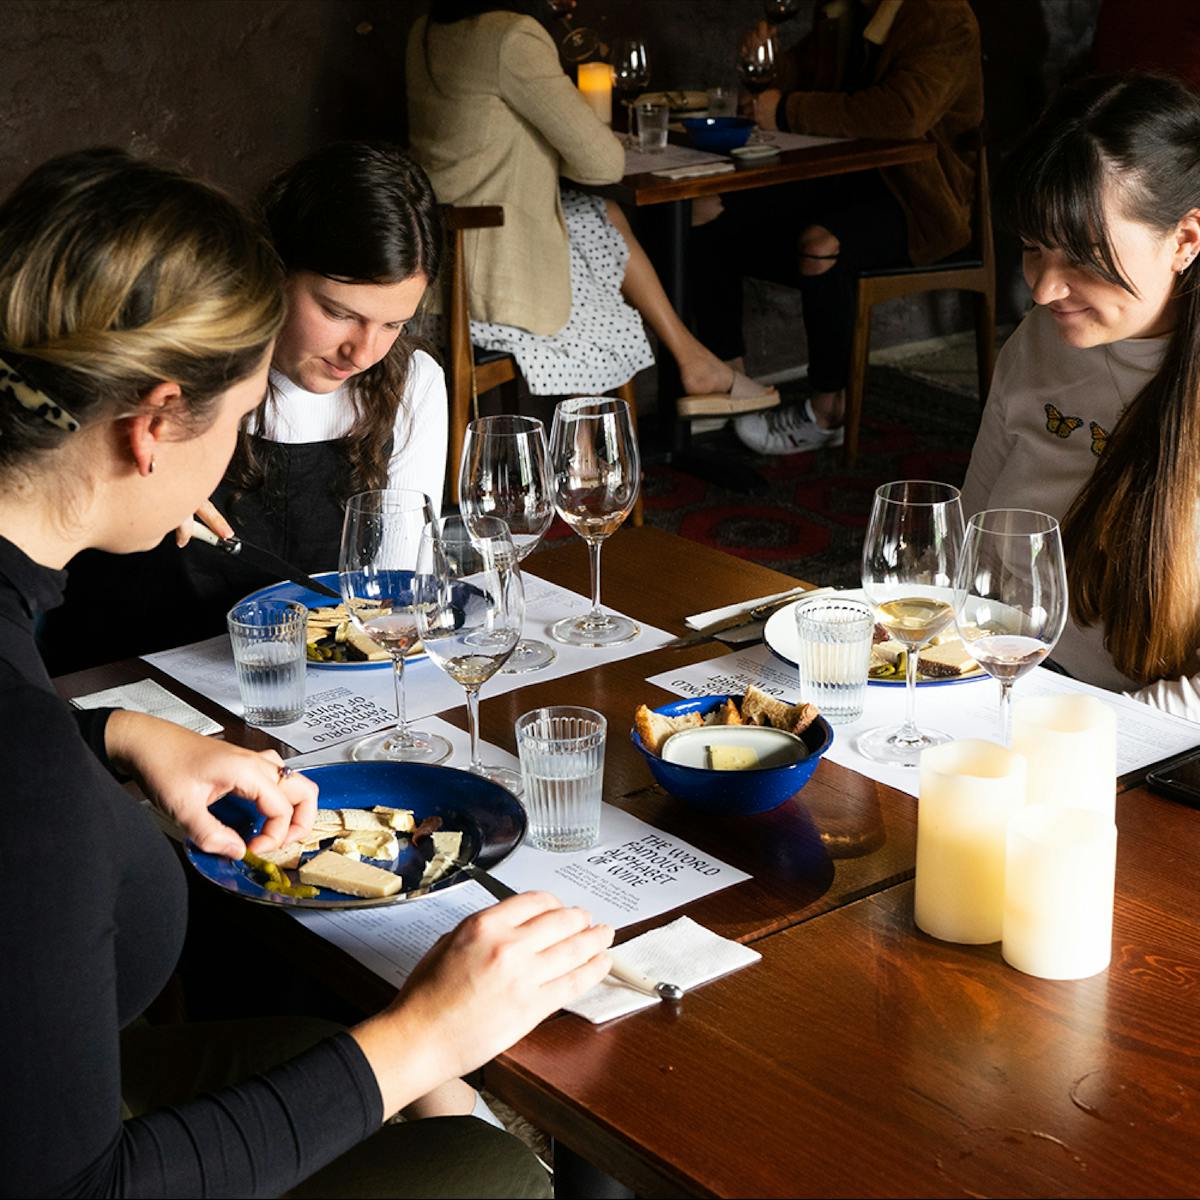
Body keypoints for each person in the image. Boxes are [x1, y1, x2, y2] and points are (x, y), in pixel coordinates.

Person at [0, 146, 611, 1197]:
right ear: (152, 429)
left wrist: (118, 735)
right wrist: (422, 1036)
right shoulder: (28, 785)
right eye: (238, 420)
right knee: (493, 1177)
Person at [40, 142, 449, 674]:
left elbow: (395, 598)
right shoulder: (180, 357)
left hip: (305, 685)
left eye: (394, 324)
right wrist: (119, 483)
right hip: (131, 672)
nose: (365, 352)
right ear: (273, 267)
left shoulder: (409, 383)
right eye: (337, 312)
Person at [960, 73, 1200, 719]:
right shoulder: (1040, 341)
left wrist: (1082, 737)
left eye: (1084, 258)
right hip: (1001, 689)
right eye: (1034, 249)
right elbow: (970, 547)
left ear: (1185, 240)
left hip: (1139, 741)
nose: (1042, 291)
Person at [405, 0, 774, 408]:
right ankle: (591, 445)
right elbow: (602, 164)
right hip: (490, 278)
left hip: (437, 268)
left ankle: (690, 363)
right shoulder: (511, 37)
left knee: (600, 216)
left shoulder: (426, 31)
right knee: (597, 241)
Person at [697, 0, 983, 455]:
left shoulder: (944, 15)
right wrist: (768, 63)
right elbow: (809, 73)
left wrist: (785, 110)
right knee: (710, 213)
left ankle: (830, 410)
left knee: (820, 245)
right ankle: (729, 388)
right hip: (843, 180)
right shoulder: (851, 8)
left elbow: (903, 113)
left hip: (920, 200)